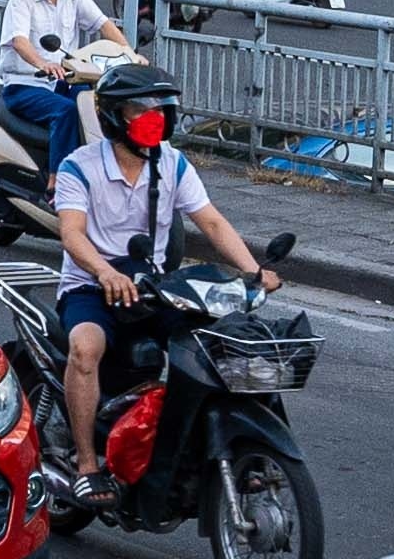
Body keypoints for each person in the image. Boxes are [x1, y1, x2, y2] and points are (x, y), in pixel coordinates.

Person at [46, 61, 272, 506]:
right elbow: (71, 233)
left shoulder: (173, 164)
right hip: (91, 286)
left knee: (220, 344)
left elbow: (211, 221)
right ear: (113, 116)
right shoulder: (79, 166)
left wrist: (254, 272)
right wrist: (104, 271)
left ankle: (238, 452)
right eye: (140, 108)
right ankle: (88, 464)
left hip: (154, 286)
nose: (154, 116)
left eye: (160, 107)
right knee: (86, 350)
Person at [0, 0, 132, 174]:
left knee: (97, 102)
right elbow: (19, 41)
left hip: (64, 81)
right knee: (67, 111)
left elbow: (103, 24)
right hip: (24, 84)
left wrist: (130, 56)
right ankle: (57, 179)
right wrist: (42, 64)